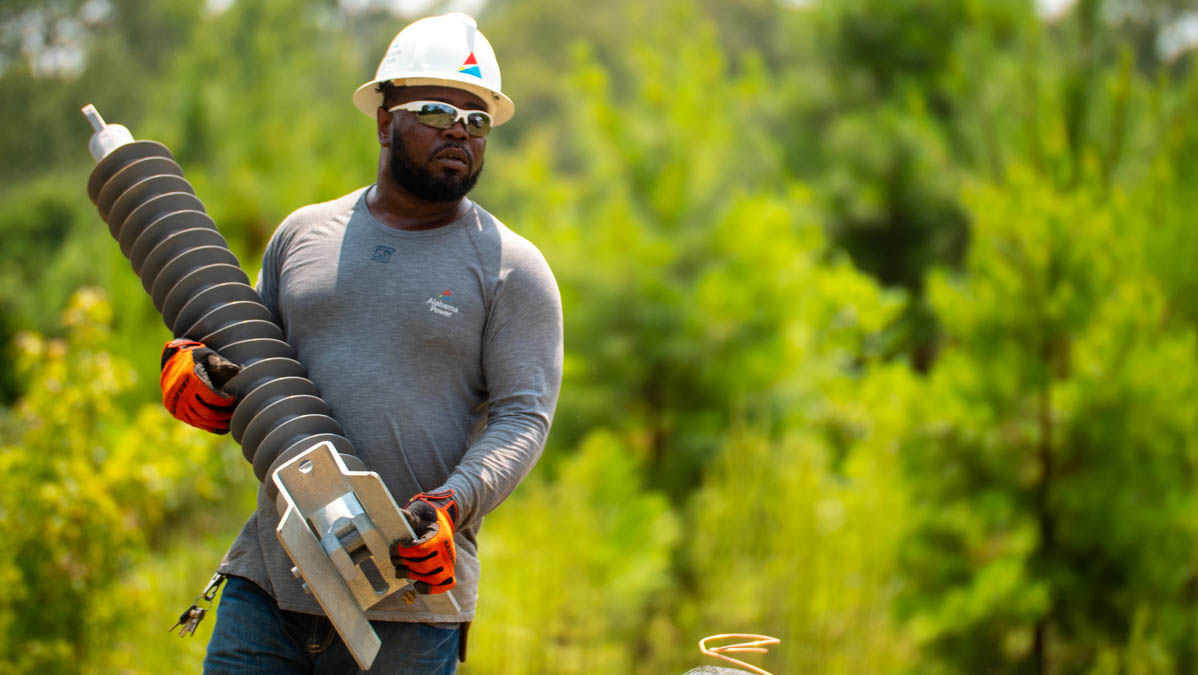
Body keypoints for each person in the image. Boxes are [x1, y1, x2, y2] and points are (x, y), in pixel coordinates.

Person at [158, 13, 563, 674]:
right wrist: (191, 372)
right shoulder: (301, 238)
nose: (459, 129)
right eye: (436, 111)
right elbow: (243, 361)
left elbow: (524, 417)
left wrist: (453, 503)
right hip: (270, 585)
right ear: (383, 118)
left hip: (408, 602)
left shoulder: (511, 269)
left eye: (476, 119)